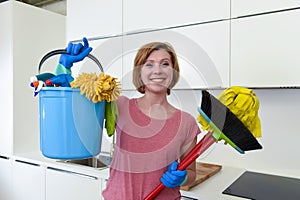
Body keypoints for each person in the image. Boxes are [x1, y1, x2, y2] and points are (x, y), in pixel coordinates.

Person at [58, 38, 201, 200]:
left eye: (165, 64)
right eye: (149, 64)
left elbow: (192, 173)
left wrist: (182, 178)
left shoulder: (187, 123)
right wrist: (64, 67)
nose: (158, 70)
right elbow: (70, 103)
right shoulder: (120, 106)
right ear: (139, 72)